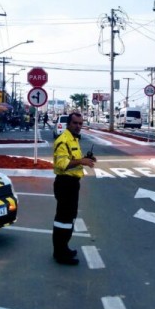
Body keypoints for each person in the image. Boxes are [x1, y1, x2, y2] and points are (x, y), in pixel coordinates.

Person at [52, 112, 96, 265]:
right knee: (63, 219)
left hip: (72, 184)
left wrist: (86, 159)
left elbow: (73, 159)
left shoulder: (73, 139)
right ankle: (60, 253)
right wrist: (81, 161)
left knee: (69, 217)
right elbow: (61, 164)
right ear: (68, 124)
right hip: (65, 183)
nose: (78, 126)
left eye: (80, 123)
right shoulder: (63, 140)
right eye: (75, 123)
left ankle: (63, 248)